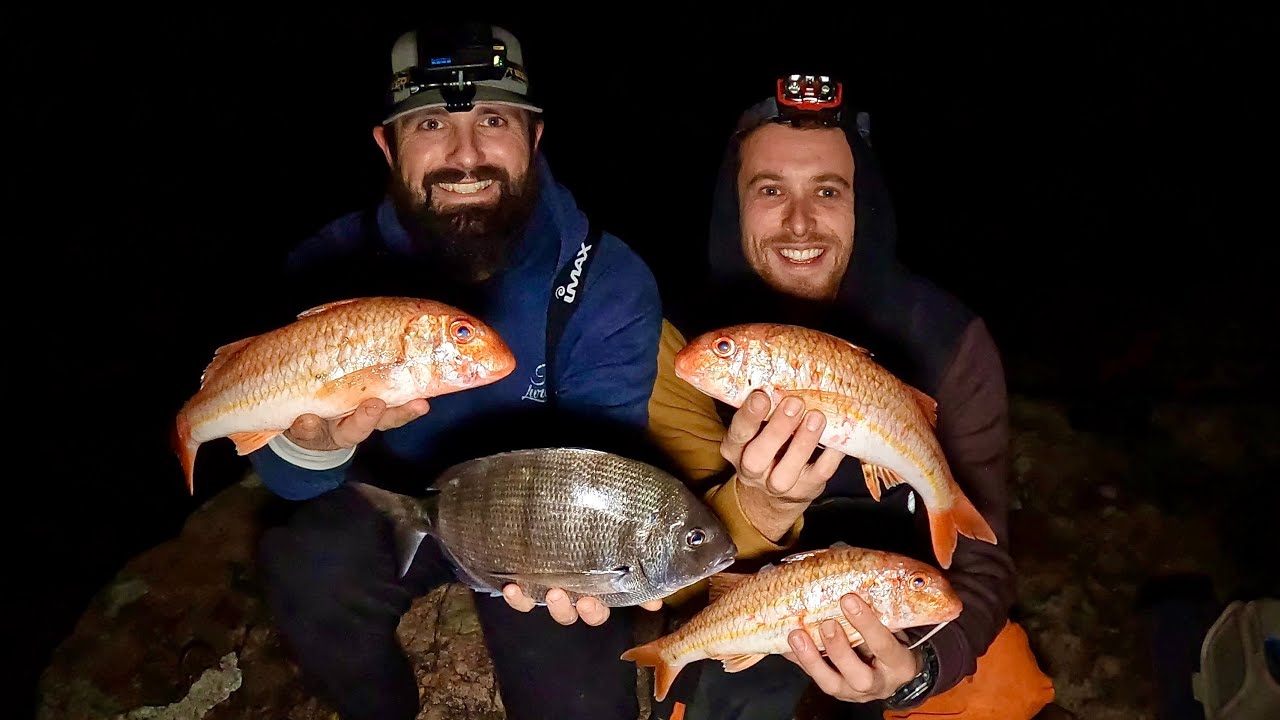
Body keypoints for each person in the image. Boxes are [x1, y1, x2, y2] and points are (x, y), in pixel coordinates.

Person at [248, 22, 668, 720]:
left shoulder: (608, 283)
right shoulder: (329, 273)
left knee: (584, 701)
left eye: (494, 120)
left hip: (536, 524)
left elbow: (608, 466)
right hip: (392, 504)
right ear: (388, 146)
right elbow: (290, 480)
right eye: (432, 124)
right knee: (307, 565)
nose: (465, 155)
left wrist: (604, 558)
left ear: (534, 137)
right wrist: (311, 446)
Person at [642, 75, 1057, 719]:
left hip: (911, 614)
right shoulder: (684, 342)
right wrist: (760, 507)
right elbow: (676, 571)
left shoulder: (948, 340)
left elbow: (983, 567)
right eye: (771, 190)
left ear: (866, 205)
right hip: (762, 619)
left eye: (828, 191)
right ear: (735, 206)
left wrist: (917, 673)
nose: (799, 222)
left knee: (1010, 688)